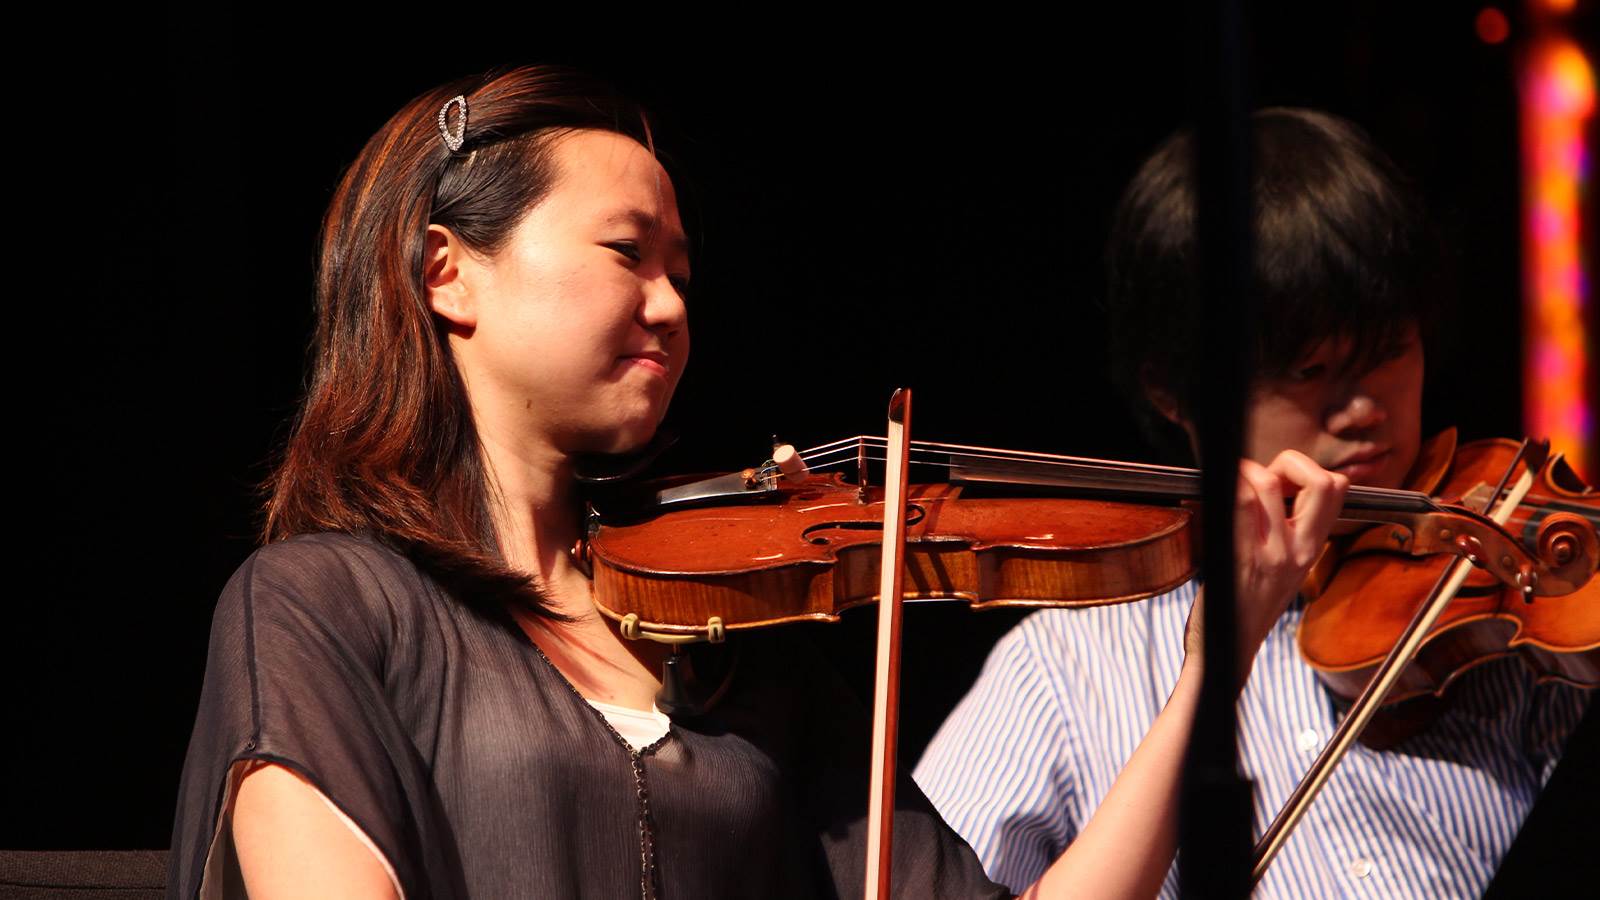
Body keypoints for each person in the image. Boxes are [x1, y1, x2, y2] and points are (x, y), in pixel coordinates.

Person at [167, 69, 1349, 900]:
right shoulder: (321, 607)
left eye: (683, 270)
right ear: (446, 274)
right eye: (627, 253)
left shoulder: (738, 646)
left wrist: (1215, 665)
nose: (675, 306)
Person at [913, 107, 1593, 898]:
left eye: (1389, 352)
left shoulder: (1506, 615)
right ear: (1175, 390)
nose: (1364, 409)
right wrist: (1214, 671)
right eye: (1310, 370)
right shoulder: (1063, 668)